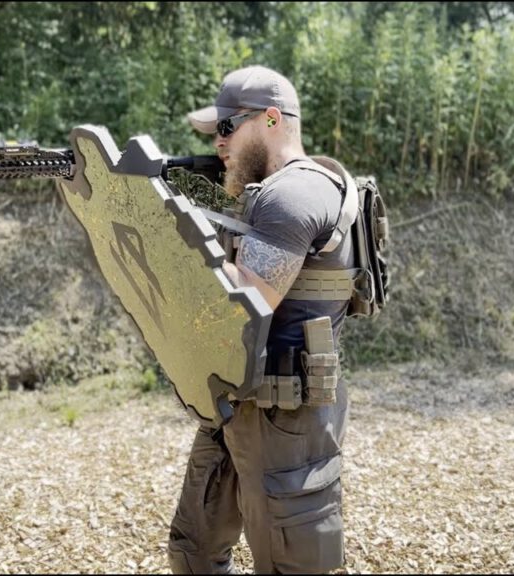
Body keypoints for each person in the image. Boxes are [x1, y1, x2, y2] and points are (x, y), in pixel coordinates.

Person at [167, 65, 355, 574]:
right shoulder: (278, 191)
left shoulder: (290, 197)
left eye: (227, 127)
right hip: (239, 398)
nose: (219, 142)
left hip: (284, 416)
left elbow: (244, 304)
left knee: (288, 564)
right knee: (194, 551)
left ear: (272, 119)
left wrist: (171, 229)